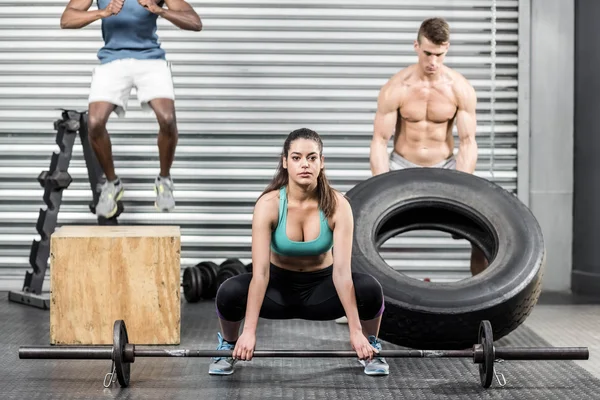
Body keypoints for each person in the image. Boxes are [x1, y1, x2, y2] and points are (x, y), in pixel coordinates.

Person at [208, 128, 389, 377]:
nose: (305, 164)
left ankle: (370, 347)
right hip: (277, 290)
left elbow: (342, 274)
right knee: (229, 291)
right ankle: (228, 347)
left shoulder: (338, 205)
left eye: (312, 157)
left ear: (321, 162)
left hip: (323, 290)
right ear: (285, 162)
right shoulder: (268, 205)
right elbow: (260, 274)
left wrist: (355, 331)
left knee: (370, 289)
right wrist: (248, 332)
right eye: (296, 157)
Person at [60, 0, 202, 218]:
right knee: (95, 123)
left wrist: (158, 10)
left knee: (167, 119)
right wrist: (103, 12)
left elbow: (194, 22)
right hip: (112, 60)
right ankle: (112, 183)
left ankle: (164, 180)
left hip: (151, 60)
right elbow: (67, 19)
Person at [370, 16, 488, 277]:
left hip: (445, 166)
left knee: (486, 225)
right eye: (427, 53)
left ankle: (485, 299)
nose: (433, 62)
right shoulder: (396, 87)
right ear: (416, 46)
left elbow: (468, 143)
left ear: (446, 49)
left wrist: (461, 183)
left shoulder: (460, 88)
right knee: (352, 221)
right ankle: (357, 304)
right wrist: (380, 186)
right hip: (400, 164)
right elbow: (380, 141)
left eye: (439, 54)